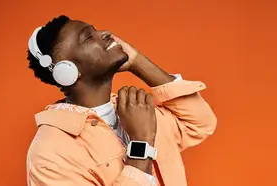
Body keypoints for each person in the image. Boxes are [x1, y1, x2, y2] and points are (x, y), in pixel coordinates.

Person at [25, 15, 217, 186]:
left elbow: (200, 123)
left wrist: (137, 62)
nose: (106, 33)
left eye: (95, 29)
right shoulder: (49, 155)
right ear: (66, 71)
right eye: (88, 37)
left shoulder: (134, 111)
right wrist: (141, 143)